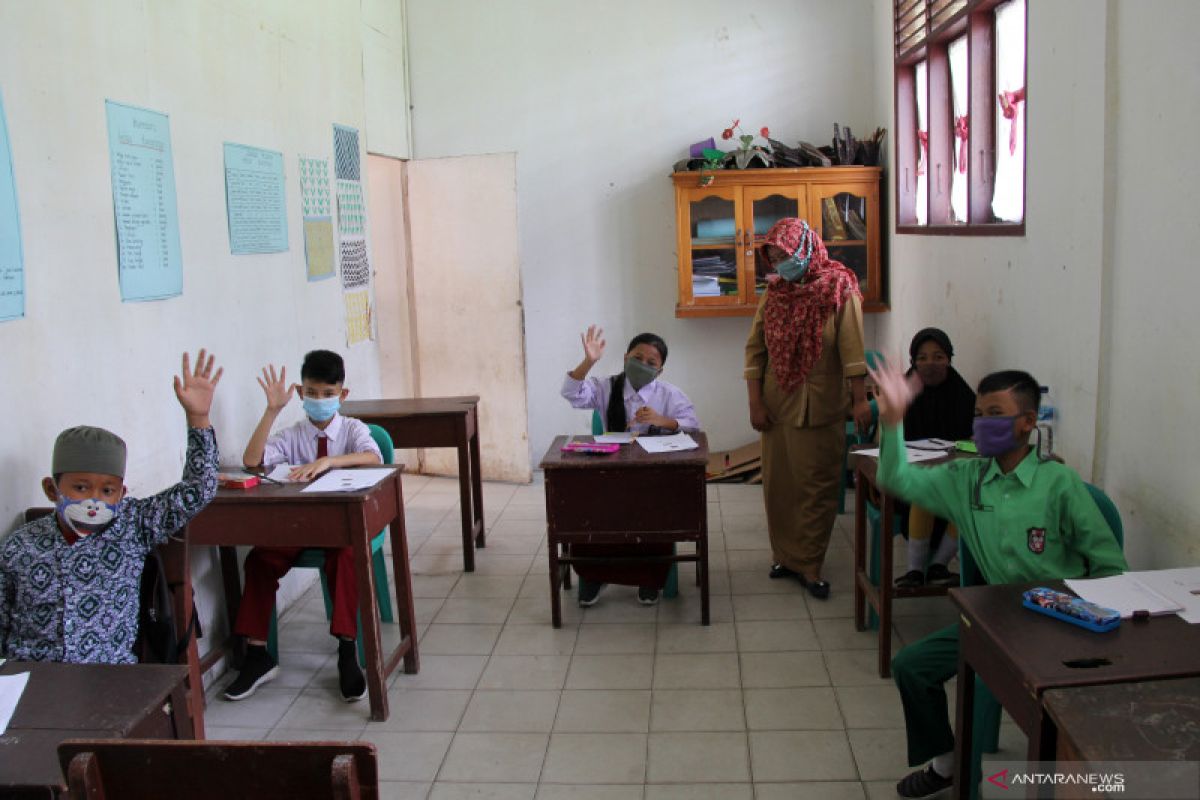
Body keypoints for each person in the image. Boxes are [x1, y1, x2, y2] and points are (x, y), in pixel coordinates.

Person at [868, 362, 1128, 799]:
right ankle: (948, 762)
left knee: (1059, 724)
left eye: (995, 414)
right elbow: (894, 477)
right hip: (999, 620)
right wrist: (893, 420)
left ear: (1027, 423)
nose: (983, 424)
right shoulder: (969, 479)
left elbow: (1109, 567)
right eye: (979, 414)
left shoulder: (1058, 485)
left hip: (1062, 619)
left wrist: (1086, 619)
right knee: (911, 667)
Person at [0, 350, 222, 664]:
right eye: (80, 487)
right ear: (52, 489)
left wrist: (197, 419)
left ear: (121, 495)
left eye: (107, 490)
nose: (94, 500)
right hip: (34, 677)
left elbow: (198, 489)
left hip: (108, 675)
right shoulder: (19, 547)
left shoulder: (133, 526)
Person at [223, 350, 382, 703]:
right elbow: (252, 462)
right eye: (312, 393)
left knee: (345, 558)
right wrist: (271, 411)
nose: (321, 400)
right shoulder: (292, 434)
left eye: (329, 394)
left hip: (342, 526)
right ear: (300, 393)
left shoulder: (353, 430)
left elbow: (373, 457)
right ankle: (257, 653)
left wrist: (329, 461)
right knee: (259, 561)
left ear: (343, 394)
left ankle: (346, 648)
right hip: (298, 525)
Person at [744, 218, 870, 599]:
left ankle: (811, 563)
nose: (780, 263)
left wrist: (860, 398)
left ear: (805, 249)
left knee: (817, 487)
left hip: (822, 405)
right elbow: (755, 350)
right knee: (780, 486)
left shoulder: (839, 287)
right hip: (776, 403)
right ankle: (785, 555)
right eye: (774, 257)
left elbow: (852, 350)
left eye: (784, 254)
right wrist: (755, 402)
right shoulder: (775, 293)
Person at [561, 325, 700, 606]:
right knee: (591, 511)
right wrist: (588, 361)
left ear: (660, 371)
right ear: (625, 358)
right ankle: (593, 577)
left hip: (652, 477)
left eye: (651, 363)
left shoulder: (669, 395)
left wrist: (666, 422)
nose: (643, 365)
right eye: (637, 358)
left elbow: (693, 427)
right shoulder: (606, 386)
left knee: (651, 512)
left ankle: (649, 578)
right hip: (610, 473)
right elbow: (572, 393)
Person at [893, 327, 976, 588]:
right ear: (913, 361)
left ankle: (939, 565)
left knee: (972, 498)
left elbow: (977, 441)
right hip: (910, 476)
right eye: (923, 357)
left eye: (938, 357)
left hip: (954, 473)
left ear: (949, 359)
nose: (930, 364)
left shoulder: (963, 395)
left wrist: (958, 447)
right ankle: (916, 571)